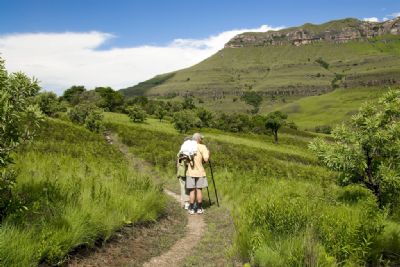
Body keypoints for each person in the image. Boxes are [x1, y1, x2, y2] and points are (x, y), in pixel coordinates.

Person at [186, 133, 210, 215]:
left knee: (191, 191)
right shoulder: (202, 147)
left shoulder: (188, 146)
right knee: (199, 190)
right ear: (199, 139)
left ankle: (192, 208)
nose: (202, 140)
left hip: (190, 171)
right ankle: (199, 208)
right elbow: (206, 160)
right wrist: (208, 153)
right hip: (200, 172)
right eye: (201, 139)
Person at [177, 137, 192, 209]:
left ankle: (185, 202)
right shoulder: (190, 153)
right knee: (188, 187)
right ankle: (187, 202)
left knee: (183, 187)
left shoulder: (180, 152)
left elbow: (178, 163)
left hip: (181, 172)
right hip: (188, 172)